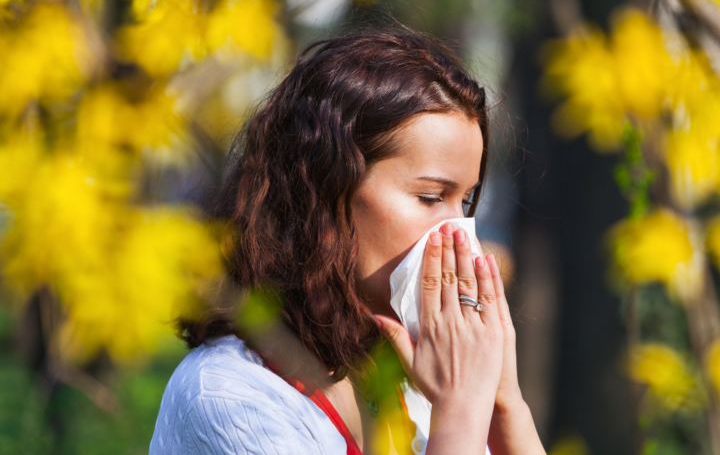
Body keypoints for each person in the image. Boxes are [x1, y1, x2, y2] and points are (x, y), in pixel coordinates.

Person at [149, 27, 546, 455]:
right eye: (431, 197)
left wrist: (505, 408)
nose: (460, 238)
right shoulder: (229, 397)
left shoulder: (419, 380)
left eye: (464, 202)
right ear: (326, 189)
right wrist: (462, 410)